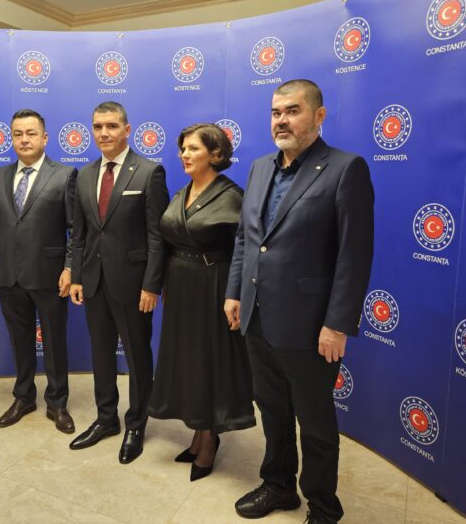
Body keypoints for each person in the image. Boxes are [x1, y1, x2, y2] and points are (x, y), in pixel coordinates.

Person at [224, 80, 374, 524]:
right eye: (276, 113)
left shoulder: (345, 169)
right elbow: (246, 239)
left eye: (292, 111)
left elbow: (353, 255)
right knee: (272, 410)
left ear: (318, 116)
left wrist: (338, 323)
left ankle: (324, 508)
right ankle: (278, 485)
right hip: (257, 317)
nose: (282, 121)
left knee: (315, 423)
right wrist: (234, 291)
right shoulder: (259, 168)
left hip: (310, 326)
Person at [148, 123, 255, 481]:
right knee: (190, 362)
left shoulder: (231, 195)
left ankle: (210, 439)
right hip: (181, 288)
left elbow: (244, 251)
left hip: (213, 286)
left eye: (193, 148)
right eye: (183, 148)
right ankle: (198, 433)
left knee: (209, 362)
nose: (184, 154)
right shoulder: (182, 192)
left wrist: (235, 294)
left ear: (216, 154)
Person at [69, 101, 169, 463]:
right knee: (100, 354)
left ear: (127, 130)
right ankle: (106, 419)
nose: (104, 133)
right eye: (98, 126)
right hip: (94, 282)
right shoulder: (84, 174)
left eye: (111, 126)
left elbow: (157, 236)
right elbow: (80, 234)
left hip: (133, 284)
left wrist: (151, 285)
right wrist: (77, 276)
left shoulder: (149, 172)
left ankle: (136, 425)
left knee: (138, 357)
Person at [0, 109, 77, 433]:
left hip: (50, 276)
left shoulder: (64, 175)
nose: (24, 139)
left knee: (55, 343)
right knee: (20, 341)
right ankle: (24, 397)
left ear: (45, 138)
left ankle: (57, 403)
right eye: (18, 134)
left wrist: (70, 268)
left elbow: (76, 229)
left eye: (31, 133)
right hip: (9, 275)